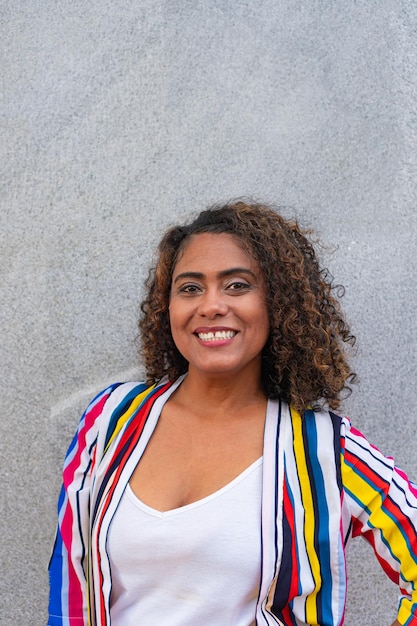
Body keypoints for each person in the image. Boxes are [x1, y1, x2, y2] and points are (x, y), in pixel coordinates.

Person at [48, 200, 417, 626]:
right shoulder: (110, 419)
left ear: (278, 302)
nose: (210, 306)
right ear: (167, 308)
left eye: (237, 285)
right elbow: (69, 583)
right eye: (190, 288)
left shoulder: (323, 450)